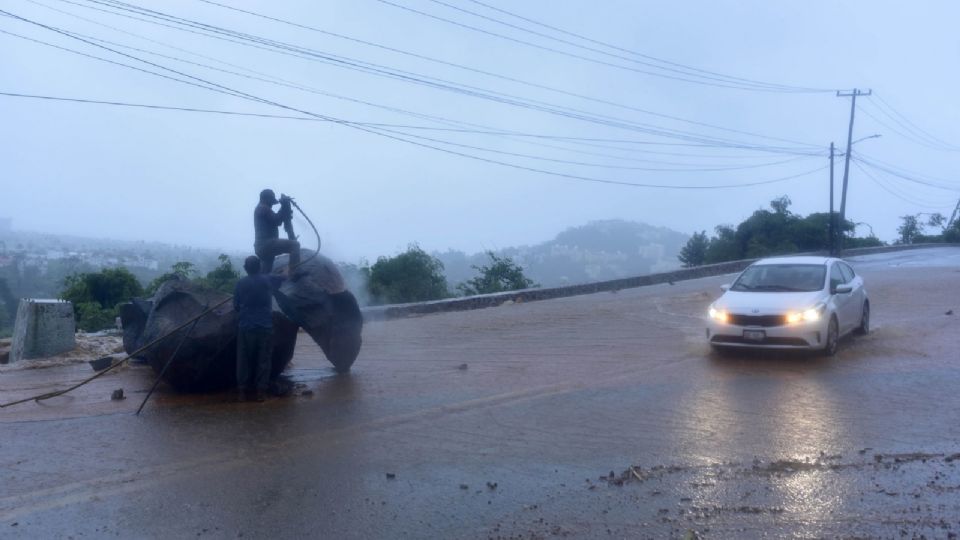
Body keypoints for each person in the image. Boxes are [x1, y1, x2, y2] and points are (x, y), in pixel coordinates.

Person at [233, 255, 277, 402]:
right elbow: (284, 277)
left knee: (243, 360)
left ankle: (242, 391)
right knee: (263, 359)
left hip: (246, 327)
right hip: (265, 327)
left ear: (246, 268)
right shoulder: (268, 280)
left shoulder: (240, 284)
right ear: (260, 267)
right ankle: (261, 392)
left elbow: (236, 306)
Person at [254, 189, 300, 274]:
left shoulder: (261, 208)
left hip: (262, 246)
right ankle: (293, 273)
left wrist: (284, 208)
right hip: (266, 244)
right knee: (295, 245)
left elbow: (276, 219)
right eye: (271, 202)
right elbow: (277, 221)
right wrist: (284, 206)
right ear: (266, 199)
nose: (272, 204)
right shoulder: (263, 208)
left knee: (266, 271)